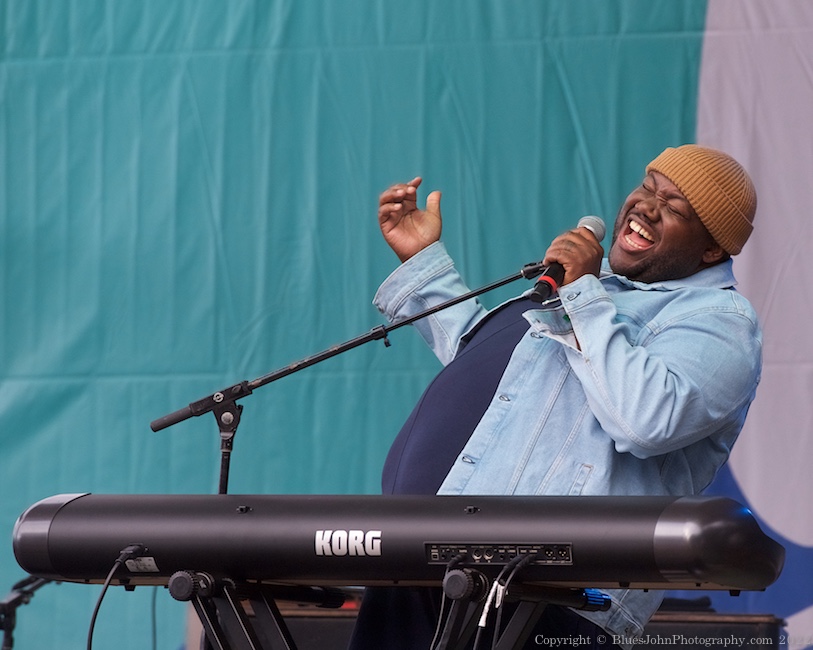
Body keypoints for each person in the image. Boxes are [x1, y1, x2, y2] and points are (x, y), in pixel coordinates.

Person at [347, 145, 761, 649]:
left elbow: (646, 419)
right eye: (649, 187)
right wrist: (422, 264)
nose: (647, 207)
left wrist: (584, 295)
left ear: (712, 250)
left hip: (540, 593)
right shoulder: (591, 293)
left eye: (674, 208)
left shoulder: (720, 321)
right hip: (419, 558)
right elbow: (486, 363)